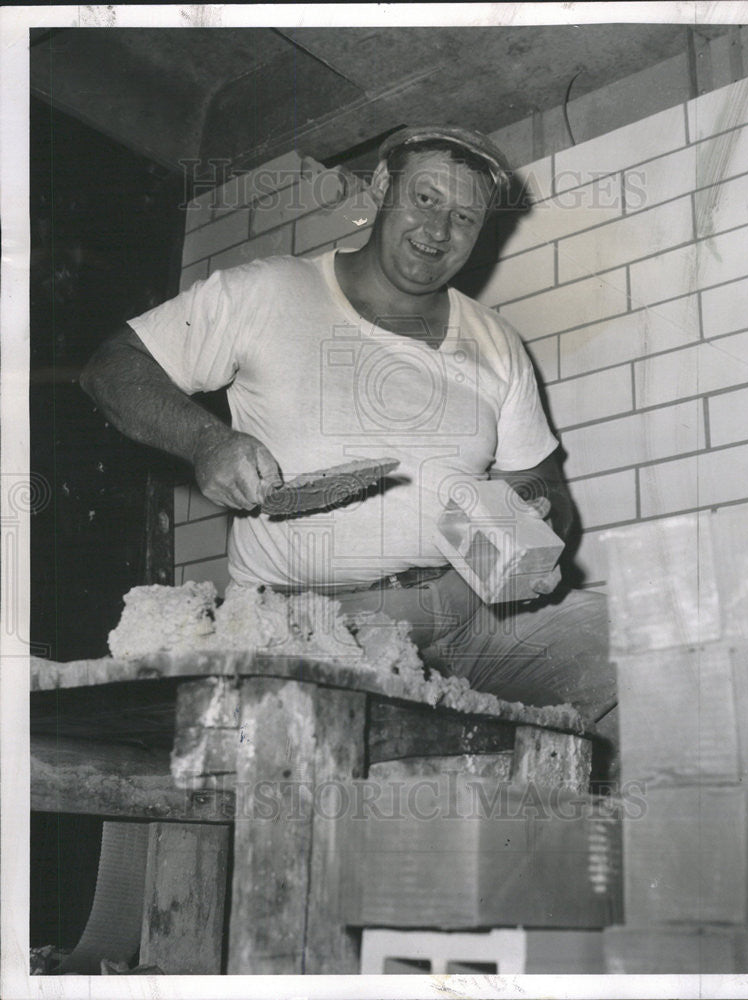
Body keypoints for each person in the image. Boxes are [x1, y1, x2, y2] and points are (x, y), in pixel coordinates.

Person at [81, 125, 614, 724]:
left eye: (464, 218)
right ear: (384, 185)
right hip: (312, 629)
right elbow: (111, 367)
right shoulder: (268, 290)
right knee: (347, 778)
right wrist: (206, 440)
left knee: (627, 648)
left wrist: (536, 525)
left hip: (469, 619)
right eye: (426, 199)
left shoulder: (497, 343)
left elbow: (543, 485)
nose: (438, 231)